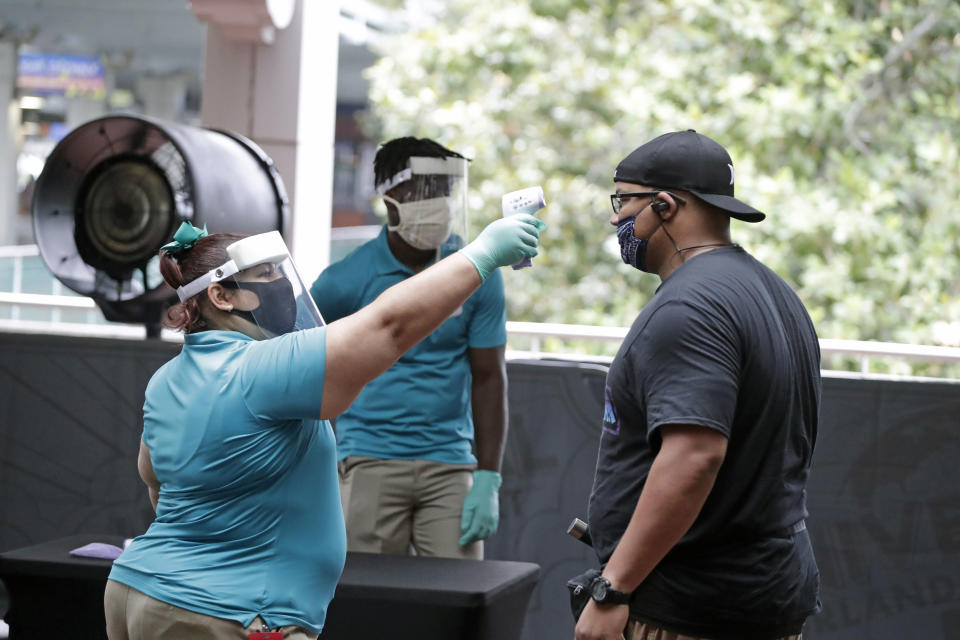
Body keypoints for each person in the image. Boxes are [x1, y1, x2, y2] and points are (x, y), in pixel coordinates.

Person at [103, 211, 543, 640]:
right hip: (225, 611)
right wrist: (482, 254)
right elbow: (388, 327)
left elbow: (156, 482)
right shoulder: (261, 368)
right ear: (222, 296)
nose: (282, 285)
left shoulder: (166, 379)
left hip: (140, 589)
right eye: (266, 275)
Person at [574, 130, 821, 640]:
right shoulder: (773, 292)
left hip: (691, 607)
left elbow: (695, 456)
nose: (616, 218)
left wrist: (613, 588)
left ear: (665, 205)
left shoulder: (690, 307)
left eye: (623, 201)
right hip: (759, 591)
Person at [310, 137, 509, 559]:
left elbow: (489, 376)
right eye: (424, 190)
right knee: (368, 604)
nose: (438, 201)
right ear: (390, 197)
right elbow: (298, 362)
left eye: (444, 190)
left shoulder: (476, 271)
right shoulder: (345, 279)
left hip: (451, 464)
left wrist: (489, 477)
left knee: (458, 605)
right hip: (368, 460)